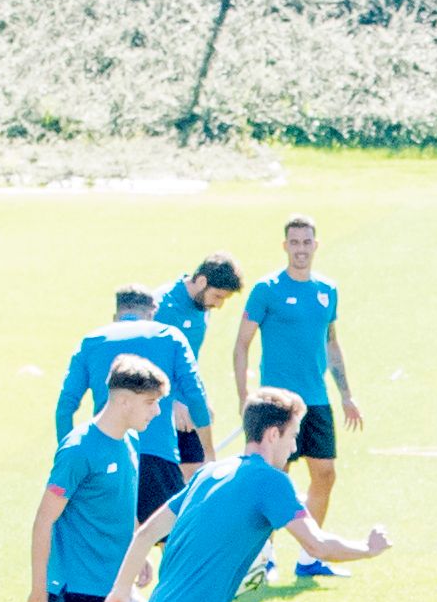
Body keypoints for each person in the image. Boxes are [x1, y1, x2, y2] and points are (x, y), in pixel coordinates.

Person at [105, 391, 393, 602]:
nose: (294, 446)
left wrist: (121, 593)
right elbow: (317, 545)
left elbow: (145, 534)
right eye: (292, 435)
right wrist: (367, 548)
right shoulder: (271, 481)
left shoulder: (211, 472)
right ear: (273, 434)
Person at [23, 357, 169, 602]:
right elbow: (43, 521)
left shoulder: (131, 443)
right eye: (151, 403)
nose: (156, 412)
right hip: (75, 592)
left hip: (114, 591)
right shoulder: (78, 450)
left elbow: (122, 508)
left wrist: (138, 557)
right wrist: (39, 590)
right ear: (125, 401)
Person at [229, 216, 364, 538]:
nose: (300, 249)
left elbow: (331, 341)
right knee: (275, 478)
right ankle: (266, 554)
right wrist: (244, 396)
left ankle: (310, 551)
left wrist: (346, 395)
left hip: (316, 399)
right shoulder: (267, 290)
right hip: (277, 403)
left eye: (306, 242)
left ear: (315, 245)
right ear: (285, 246)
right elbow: (241, 345)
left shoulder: (327, 290)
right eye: (294, 242)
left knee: (325, 474)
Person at [53, 282, 212, 527]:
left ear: (116, 315)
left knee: (116, 545)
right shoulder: (169, 335)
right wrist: (208, 451)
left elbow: (65, 406)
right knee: (170, 545)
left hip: (104, 460)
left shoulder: (91, 341)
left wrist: (69, 458)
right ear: (152, 312)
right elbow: (196, 395)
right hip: (158, 457)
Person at [146, 253, 247, 460]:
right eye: (218, 296)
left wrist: (201, 397)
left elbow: (189, 361)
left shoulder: (203, 308)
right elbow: (144, 363)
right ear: (202, 281)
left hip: (186, 406)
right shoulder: (161, 306)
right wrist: (170, 402)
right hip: (156, 409)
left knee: (196, 471)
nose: (219, 305)